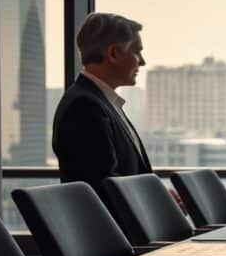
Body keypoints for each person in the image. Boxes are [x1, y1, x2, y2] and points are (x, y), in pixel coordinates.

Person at [53, 12, 152, 203]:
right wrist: (153, 204)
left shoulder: (100, 102)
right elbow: (104, 186)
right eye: (136, 51)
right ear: (113, 54)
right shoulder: (85, 107)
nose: (142, 61)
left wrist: (157, 198)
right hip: (117, 232)